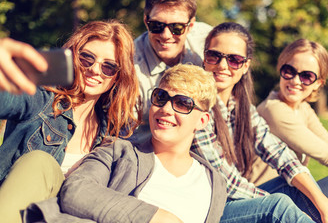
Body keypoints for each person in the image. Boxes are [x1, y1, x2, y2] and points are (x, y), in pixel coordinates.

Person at [23, 64, 227, 223]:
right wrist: (155, 217)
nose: (166, 109)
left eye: (183, 103)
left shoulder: (214, 183)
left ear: (202, 121)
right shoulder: (118, 151)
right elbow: (77, 190)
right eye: (161, 97)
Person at [0, 20, 139, 223]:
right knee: (39, 162)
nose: (94, 70)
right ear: (73, 56)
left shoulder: (114, 131)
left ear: (118, 76)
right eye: (86, 58)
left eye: (108, 67)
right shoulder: (41, 100)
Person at [191, 22, 328, 223]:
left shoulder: (242, 108)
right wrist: (290, 204)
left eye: (234, 60)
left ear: (246, 65)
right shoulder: (196, 107)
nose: (222, 66)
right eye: (214, 56)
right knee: (280, 205)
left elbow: (280, 154)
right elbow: (225, 183)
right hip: (214, 208)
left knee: (309, 193)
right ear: (205, 58)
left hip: (246, 196)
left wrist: (321, 202)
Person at [132, 0, 213, 144]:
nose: (166, 35)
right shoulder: (130, 66)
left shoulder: (208, 41)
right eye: (157, 26)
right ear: (146, 21)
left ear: (190, 26)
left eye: (177, 27)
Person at [257, 39, 328, 166]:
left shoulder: (303, 108)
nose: (295, 81)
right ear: (280, 69)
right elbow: (324, 153)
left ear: (318, 83)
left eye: (307, 76)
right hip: (265, 186)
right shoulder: (273, 109)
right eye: (289, 71)